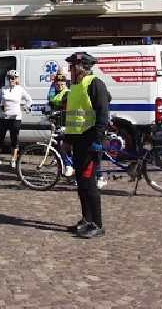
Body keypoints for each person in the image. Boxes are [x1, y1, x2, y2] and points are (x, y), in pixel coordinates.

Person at [64, 51, 110, 239]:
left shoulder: (95, 84)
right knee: (81, 184)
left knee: (90, 184)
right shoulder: (75, 86)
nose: (69, 71)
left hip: (91, 143)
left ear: (80, 68)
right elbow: (74, 117)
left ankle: (98, 224)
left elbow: (103, 115)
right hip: (78, 143)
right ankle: (86, 219)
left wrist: (97, 140)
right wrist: (67, 140)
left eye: (71, 67)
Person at [0, 69, 32, 168]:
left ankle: (13, 159)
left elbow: (29, 100)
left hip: (15, 118)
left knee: (14, 139)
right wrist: (1, 106)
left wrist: (24, 108)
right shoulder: (3, 89)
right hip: (4, 117)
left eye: (14, 78)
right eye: (10, 78)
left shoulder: (20, 89)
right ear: (8, 79)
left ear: (16, 79)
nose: (12, 80)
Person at [49, 73, 72, 177]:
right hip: (57, 123)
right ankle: (64, 166)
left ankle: (69, 166)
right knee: (57, 146)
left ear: (65, 84)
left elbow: (64, 105)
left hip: (65, 124)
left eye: (62, 84)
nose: (60, 86)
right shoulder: (56, 94)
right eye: (58, 85)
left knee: (64, 146)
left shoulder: (67, 93)